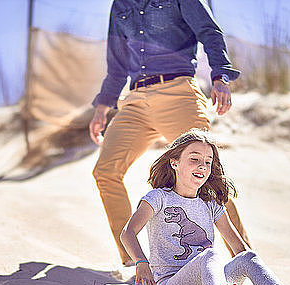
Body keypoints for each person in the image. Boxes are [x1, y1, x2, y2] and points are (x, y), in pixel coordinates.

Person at [90, 0, 251, 266]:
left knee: (206, 177)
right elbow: (117, 65)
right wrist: (102, 108)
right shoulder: (120, 5)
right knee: (105, 172)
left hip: (177, 91)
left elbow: (209, 31)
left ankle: (245, 260)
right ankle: (135, 263)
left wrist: (220, 77)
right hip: (136, 99)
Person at [120, 130, 290, 285]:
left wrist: (261, 280)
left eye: (207, 162)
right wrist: (141, 262)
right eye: (194, 159)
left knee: (248, 257)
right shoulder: (159, 197)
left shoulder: (211, 203)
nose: (202, 166)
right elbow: (127, 233)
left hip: (211, 281)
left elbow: (238, 247)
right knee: (210, 255)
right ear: (174, 162)